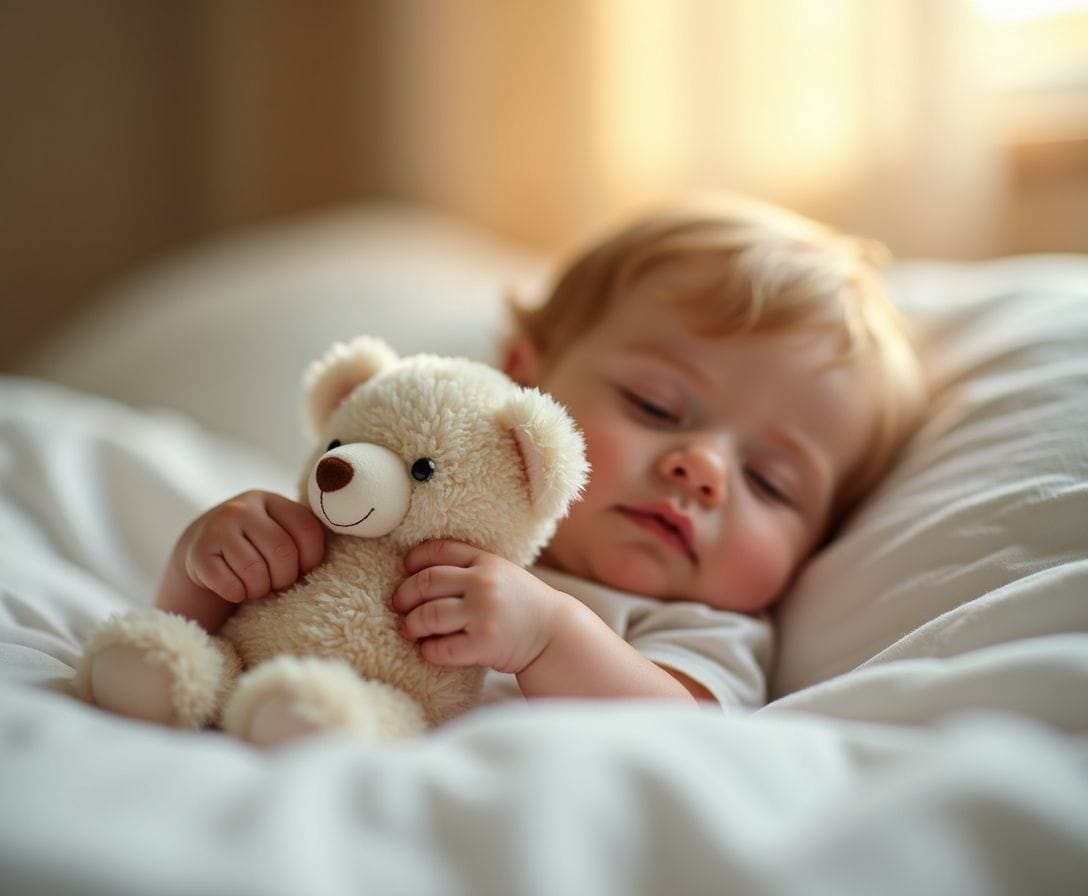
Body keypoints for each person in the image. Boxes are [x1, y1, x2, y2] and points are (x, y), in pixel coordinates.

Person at [155, 194, 927, 709]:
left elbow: (686, 738)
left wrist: (550, 636)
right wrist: (211, 561)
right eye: (655, 406)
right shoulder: (403, 508)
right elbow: (226, 630)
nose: (705, 471)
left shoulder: (698, 626)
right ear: (525, 378)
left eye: (770, 481)